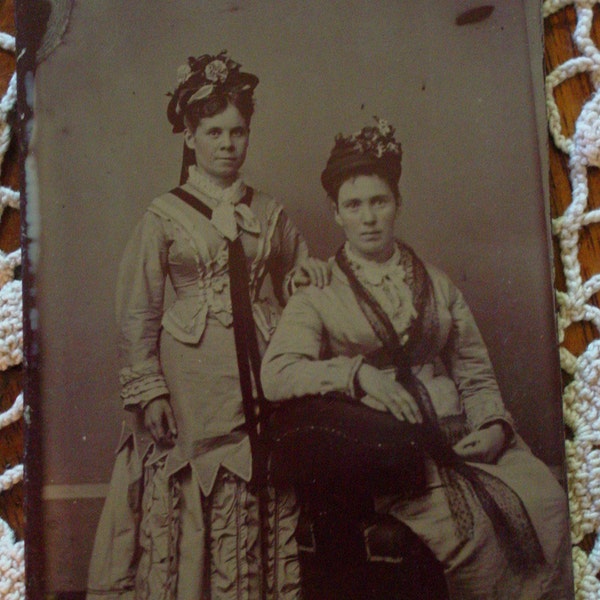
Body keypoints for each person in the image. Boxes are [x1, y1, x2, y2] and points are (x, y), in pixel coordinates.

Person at [260, 118, 572, 599]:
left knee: (548, 502)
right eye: (354, 205)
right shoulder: (319, 291)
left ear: (398, 204)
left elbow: (475, 373)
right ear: (336, 213)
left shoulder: (437, 283)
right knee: (473, 540)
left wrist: (493, 428)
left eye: (379, 202)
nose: (368, 218)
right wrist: (356, 373)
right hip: (399, 461)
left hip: (467, 441)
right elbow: (276, 374)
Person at [86, 51, 327, 600]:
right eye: (214, 131)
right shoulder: (164, 215)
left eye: (237, 131)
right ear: (190, 136)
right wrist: (149, 392)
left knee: (259, 474)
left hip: (262, 368)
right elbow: (138, 311)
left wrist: (300, 283)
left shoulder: (269, 212)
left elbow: (299, 284)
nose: (227, 144)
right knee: (197, 480)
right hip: (192, 377)